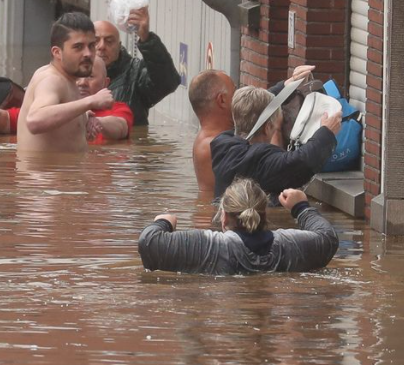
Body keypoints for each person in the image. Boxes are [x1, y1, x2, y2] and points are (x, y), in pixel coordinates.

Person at [138, 178, 338, 275]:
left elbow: (148, 243)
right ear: (265, 215)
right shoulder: (291, 244)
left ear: (224, 217)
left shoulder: (209, 247)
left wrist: (163, 221)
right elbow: (328, 237)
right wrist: (301, 208)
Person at [189, 65, 317, 192]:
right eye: (235, 91)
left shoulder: (218, 136)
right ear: (222, 100)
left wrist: (289, 84)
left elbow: (253, 107)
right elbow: (276, 170)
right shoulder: (214, 145)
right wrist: (275, 129)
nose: (240, 96)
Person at [210, 85, 342, 199]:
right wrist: (326, 132)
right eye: (277, 124)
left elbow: (249, 108)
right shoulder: (260, 161)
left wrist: (285, 86)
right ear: (267, 128)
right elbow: (302, 162)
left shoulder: (222, 144)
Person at [17, 12, 114, 153]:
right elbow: (35, 120)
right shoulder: (51, 79)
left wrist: (84, 117)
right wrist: (91, 101)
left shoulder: (68, 80)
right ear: (57, 52)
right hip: (46, 175)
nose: (88, 53)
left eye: (91, 46)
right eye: (78, 47)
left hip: (67, 174)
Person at [94, 7, 179, 126]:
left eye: (109, 41)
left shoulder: (135, 73)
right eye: (95, 41)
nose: (102, 46)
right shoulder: (72, 74)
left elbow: (167, 82)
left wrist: (146, 38)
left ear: (119, 46)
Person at [76, 56, 134, 145]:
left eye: (90, 76)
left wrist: (93, 121)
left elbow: (121, 127)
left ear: (105, 83)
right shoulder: (58, 108)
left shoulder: (118, 108)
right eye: (77, 76)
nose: (82, 82)